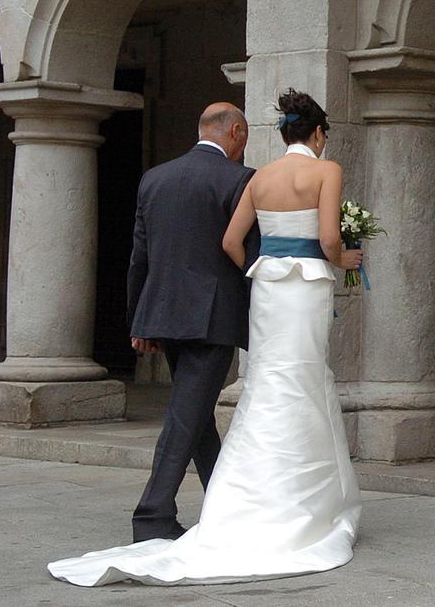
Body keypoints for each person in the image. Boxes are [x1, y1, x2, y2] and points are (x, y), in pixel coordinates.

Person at [47, 89, 364, 586]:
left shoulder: (175, 177)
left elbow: (161, 254)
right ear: (318, 133)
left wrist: (141, 320)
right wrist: (340, 258)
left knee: (211, 407)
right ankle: (153, 514)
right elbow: (324, 240)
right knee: (195, 410)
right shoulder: (284, 173)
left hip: (195, 309)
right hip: (248, 307)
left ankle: (225, 493)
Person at [124, 102, 255, 543]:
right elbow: (248, 257)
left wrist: (138, 320)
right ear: (236, 131)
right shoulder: (239, 179)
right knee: (186, 415)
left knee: (195, 414)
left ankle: (225, 504)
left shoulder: (154, 178)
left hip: (163, 313)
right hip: (214, 317)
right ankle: (152, 514)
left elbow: (139, 257)